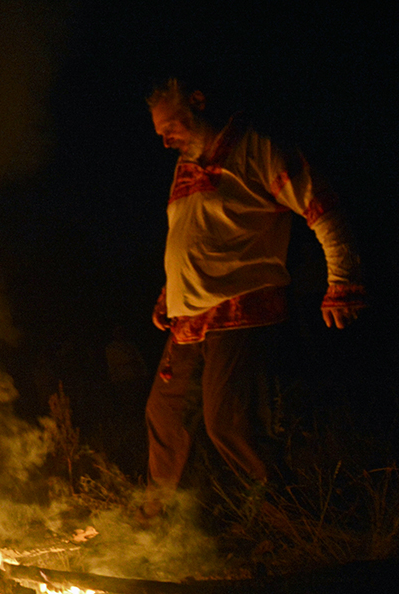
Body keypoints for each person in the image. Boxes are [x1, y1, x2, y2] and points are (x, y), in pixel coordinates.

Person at [142, 79, 364, 518]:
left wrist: (343, 281)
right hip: (187, 320)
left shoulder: (258, 148)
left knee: (229, 423)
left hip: (241, 313)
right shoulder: (186, 166)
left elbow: (323, 208)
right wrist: (170, 290)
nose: (165, 141)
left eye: (171, 127)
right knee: (164, 417)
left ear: (199, 102)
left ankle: (294, 520)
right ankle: (156, 524)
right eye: (160, 134)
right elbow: (192, 233)